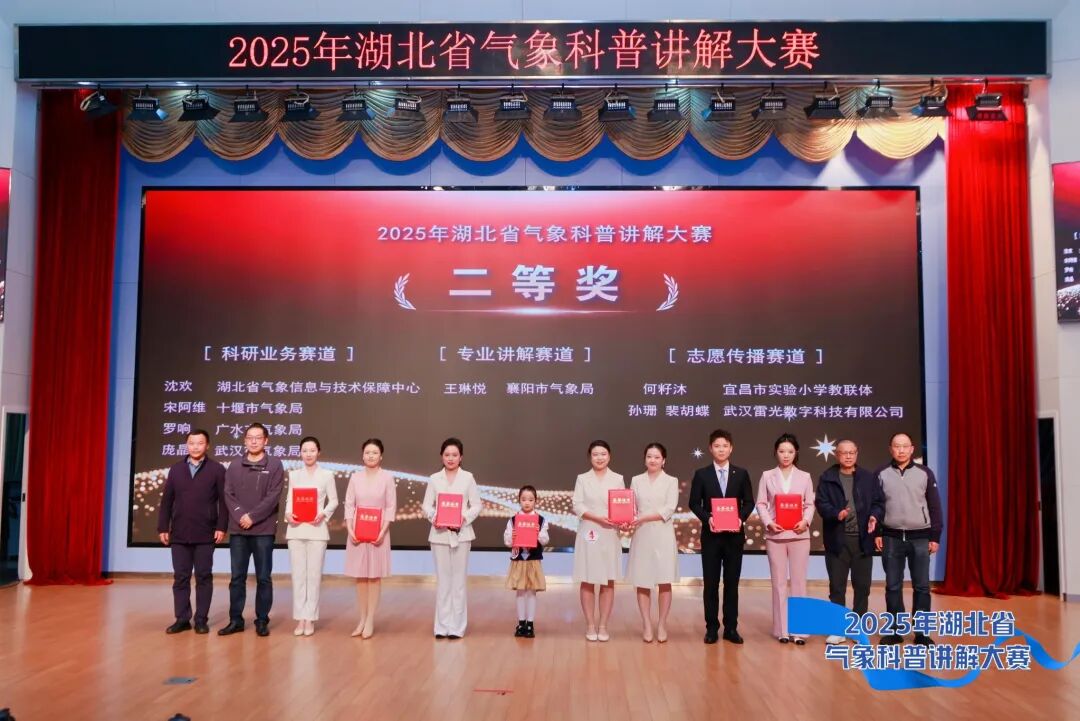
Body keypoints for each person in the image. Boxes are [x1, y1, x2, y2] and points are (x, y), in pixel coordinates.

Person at [875, 432, 943, 646]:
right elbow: (875, 507)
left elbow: (934, 506)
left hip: (920, 537)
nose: (901, 450)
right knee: (893, 586)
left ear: (912, 449)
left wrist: (935, 536)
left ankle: (922, 633)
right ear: (890, 449)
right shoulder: (881, 473)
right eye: (897, 446)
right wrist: (877, 533)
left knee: (922, 587)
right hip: (891, 536)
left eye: (905, 446)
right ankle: (896, 631)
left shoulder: (925, 473)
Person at [157, 429, 227, 635]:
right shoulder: (176, 469)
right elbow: (167, 500)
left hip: (206, 533)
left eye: (200, 443)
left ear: (207, 445)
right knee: (181, 577)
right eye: (191, 443)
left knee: (204, 576)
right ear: (186, 445)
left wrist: (221, 527)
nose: (195, 447)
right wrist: (163, 527)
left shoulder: (217, 469)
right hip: (179, 533)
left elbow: (224, 502)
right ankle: (182, 619)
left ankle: (201, 620)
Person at [815, 439, 885, 645]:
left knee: (862, 587)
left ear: (856, 454)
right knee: (837, 587)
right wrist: (836, 513)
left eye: (851, 452)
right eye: (844, 453)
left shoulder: (868, 477)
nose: (848, 456)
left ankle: (857, 629)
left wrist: (874, 516)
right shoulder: (827, 477)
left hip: (862, 541)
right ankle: (838, 629)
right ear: (837, 455)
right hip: (837, 541)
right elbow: (821, 504)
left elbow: (879, 503)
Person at [688, 428, 754, 645]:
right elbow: (694, 503)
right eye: (717, 446)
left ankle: (731, 628)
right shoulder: (702, 474)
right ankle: (711, 628)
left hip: (734, 537)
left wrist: (740, 519)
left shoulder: (741, 474)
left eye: (725, 446)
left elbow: (749, 502)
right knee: (711, 583)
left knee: (732, 584)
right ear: (710, 449)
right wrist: (708, 518)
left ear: (731, 448)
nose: (721, 449)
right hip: (712, 536)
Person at [219, 422, 285, 637]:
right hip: (238, 529)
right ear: (245, 440)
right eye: (250, 438)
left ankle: (262, 620)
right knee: (237, 578)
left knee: (263, 577)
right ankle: (235, 620)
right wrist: (241, 515)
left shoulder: (275, 464)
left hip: (263, 530)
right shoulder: (234, 465)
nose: (254, 441)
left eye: (258, 438)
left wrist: (252, 516)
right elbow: (228, 494)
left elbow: (273, 496)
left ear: (266, 441)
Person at [755, 433, 816, 645]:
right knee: (778, 583)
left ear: (796, 453)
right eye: (782, 451)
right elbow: (761, 503)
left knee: (799, 583)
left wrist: (805, 521)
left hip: (799, 535)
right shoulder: (767, 476)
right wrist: (768, 522)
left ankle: (800, 631)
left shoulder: (805, 477)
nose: (786, 455)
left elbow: (810, 504)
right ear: (776, 453)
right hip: (775, 535)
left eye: (790, 451)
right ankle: (782, 630)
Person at [421, 438, 482, 639]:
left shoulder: (468, 478)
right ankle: (441, 626)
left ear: (461, 457)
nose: (450, 458)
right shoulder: (434, 479)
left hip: (462, 535)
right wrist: (435, 517)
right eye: (447, 455)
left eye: (455, 455)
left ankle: (457, 627)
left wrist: (463, 518)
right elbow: (426, 506)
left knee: (459, 582)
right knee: (443, 582)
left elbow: (476, 505)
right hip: (439, 536)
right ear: (441, 456)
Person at [284, 436, 338, 637]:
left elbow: (334, 501)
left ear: (319, 452)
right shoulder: (294, 474)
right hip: (296, 529)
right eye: (305, 450)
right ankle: (300, 618)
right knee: (298, 576)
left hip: (317, 530)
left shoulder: (327, 475)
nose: (308, 454)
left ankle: (310, 618)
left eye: (312, 450)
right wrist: (288, 514)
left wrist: (323, 514)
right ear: (300, 453)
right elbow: (290, 499)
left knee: (313, 576)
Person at [625, 443, 679, 643]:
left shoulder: (671, 481)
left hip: (663, 534)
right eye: (649, 456)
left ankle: (662, 623)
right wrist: (626, 518)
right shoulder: (636, 480)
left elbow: (669, 508)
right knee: (642, 580)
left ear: (664, 460)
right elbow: (631, 507)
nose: (653, 460)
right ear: (644, 459)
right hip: (642, 534)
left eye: (657, 457)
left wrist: (644, 517)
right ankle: (647, 624)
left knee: (664, 580)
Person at [572, 440, 625, 642]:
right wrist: (597, 518)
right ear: (590, 457)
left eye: (603, 454)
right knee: (587, 579)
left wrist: (622, 519)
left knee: (608, 580)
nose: (599, 458)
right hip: (590, 531)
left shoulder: (618, 479)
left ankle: (603, 625)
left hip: (610, 533)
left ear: (609, 456)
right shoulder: (582, 478)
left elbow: (622, 505)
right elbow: (577, 505)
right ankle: (590, 625)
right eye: (595, 454)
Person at [344, 438, 396, 639]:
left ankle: (370, 620)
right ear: (362, 455)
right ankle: (362, 618)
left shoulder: (387, 478)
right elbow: (349, 504)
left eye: (374, 452)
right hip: (357, 533)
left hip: (378, 533)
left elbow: (390, 507)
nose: (371, 456)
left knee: (374, 577)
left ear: (381, 456)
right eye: (367, 452)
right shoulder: (355, 477)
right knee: (360, 577)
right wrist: (350, 528)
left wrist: (382, 532)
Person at [503, 485, 550, 639]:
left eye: (530, 499)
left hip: (533, 560)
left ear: (536, 501)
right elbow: (507, 541)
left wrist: (538, 534)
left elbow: (545, 539)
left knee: (531, 592)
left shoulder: (541, 520)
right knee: (520, 591)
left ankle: (530, 624)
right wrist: (512, 537)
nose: (527, 502)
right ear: (519, 501)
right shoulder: (513, 520)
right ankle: (521, 622)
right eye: (524, 499)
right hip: (519, 560)